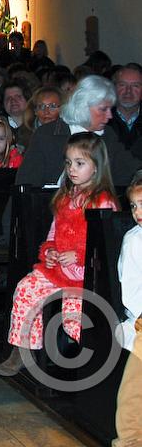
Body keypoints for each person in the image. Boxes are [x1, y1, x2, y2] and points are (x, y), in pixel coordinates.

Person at [0, 132, 118, 376]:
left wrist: (79, 255)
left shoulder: (102, 201)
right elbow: (53, 234)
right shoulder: (65, 197)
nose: (72, 169)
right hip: (57, 270)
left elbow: (105, 246)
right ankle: (22, 351)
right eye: (69, 162)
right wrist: (50, 251)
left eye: (80, 163)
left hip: (85, 277)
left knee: (74, 321)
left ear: (96, 167)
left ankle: (95, 362)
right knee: (26, 289)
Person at [16, 75, 140, 187]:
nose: (110, 115)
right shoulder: (47, 134)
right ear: (83, 107)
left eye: (110, 109)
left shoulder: (107, 134)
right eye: (103, 109)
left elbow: (130, 171)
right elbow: (26, 183)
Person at [113, 173, 142, 445]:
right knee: (134, 389)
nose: (138, 213)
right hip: (140, 320)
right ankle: (130, 440)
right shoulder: (134, 240)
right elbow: (131, 290)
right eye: (133, 206)